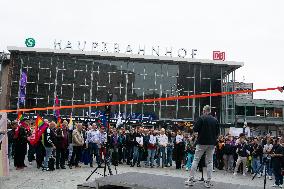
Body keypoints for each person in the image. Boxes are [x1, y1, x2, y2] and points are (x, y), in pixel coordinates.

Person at [185, 105, 220, 188]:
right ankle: (208, 181)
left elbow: (195, 129)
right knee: (210, 162)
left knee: (196, 160)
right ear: (210, 111)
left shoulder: (201, 118)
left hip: (201, 142)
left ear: (204, 111)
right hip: (211, 143)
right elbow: (217, 133)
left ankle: (191, 180)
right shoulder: (215, 120)